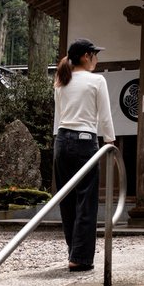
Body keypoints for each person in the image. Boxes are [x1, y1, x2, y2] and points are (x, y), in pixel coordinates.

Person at [53, 38, 116, 271]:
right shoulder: (97, 80)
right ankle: (80, 258)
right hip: (84, 141)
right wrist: (110, 140)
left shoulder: (61, 81)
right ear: (87, 56)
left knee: (67, 200)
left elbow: (60, 116)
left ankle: (74, 252)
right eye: (95, 55)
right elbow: (105, 117)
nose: (97, 60)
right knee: (86, 200)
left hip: (62, 140)